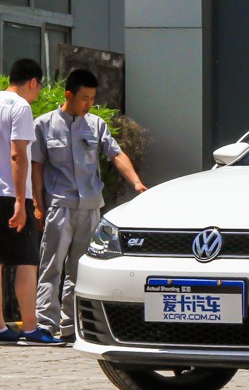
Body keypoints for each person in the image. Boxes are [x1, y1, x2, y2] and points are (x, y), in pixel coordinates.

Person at [32, 68, 148, 340]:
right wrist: (38, 204)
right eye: (84, 98)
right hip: (59, 206)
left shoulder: (96, 125)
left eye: (92, 99)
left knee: (79, 269)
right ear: (69, 95)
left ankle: (71, 326)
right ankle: (46, 324)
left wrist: (137, 183)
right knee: (52, 267)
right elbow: (36, 167)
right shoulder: (44, 125)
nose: (89, 104)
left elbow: (116, 155)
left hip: (91, 207)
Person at [0, 59, 64, 345]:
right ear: (32, 82)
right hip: (11, 194)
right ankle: (29, 328)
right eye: (39, 88)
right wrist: (18, 201)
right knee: (26, 261)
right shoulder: (20, 107)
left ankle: (1, 328)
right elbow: (18, 155)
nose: (37, 95)